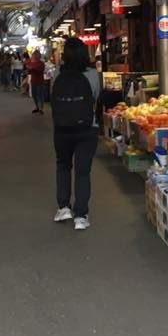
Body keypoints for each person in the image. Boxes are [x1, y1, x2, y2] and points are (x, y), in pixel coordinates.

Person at [50, 38, 101, 231]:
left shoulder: (58, 74)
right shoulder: (93, 75)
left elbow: (52, 97)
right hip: (88, 128)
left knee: (63, 166)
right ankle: (81, 215)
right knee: (82, 171)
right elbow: (95, 97)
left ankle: (63, 208)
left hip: (62, 129)